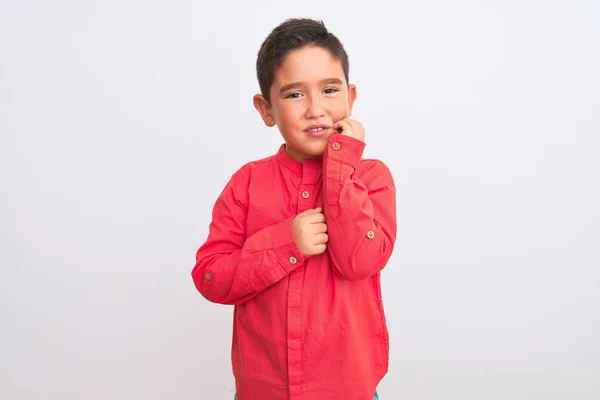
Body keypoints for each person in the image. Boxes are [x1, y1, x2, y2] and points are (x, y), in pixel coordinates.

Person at [191, 17, 397, 400]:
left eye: (330, 90)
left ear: (351, 98)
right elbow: (210, 278)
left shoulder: (371, 178)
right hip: (263, 390)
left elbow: (361, 261)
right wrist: (287, 243)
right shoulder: (246, 183)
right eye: (294, 95)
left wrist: (341, 166)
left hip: (347, 389)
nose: (315, 109)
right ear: (266, 109)